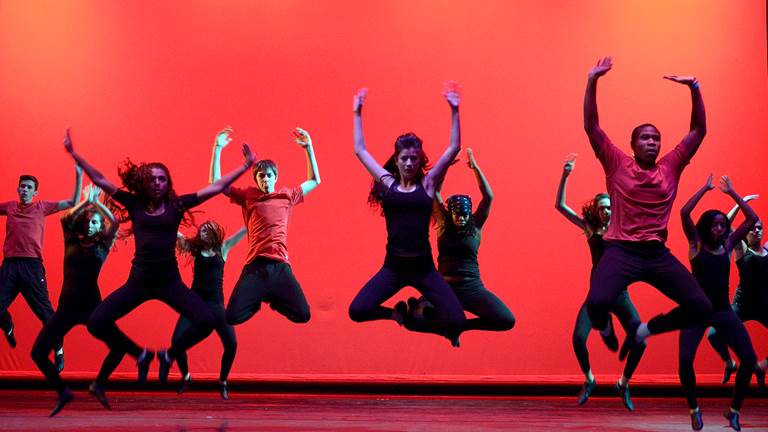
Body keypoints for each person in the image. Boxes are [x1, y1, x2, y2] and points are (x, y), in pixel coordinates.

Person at [64, 128, 254, 404]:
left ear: (168, 183)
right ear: (144, 182)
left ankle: (168, 355)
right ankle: (140, 355)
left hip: (169, 282)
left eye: (161, 179)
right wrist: (74, 154)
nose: (156, 183)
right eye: (152, 179)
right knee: (96, 322)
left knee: (207, 320)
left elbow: (215, 188)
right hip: (138, 281)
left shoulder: (177, 205)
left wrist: (245, 166)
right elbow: (101, 179)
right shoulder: (134, 203)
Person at [583, 56, 713, 361]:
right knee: (597, 303)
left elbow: (698, 131)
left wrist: (695, 87)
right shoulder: (617, 163)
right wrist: (592, 80)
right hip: (620, 251)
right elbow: (591, 126)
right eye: (645, 138)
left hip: (656, 255)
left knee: (701, 307)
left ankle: (644, 331)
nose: (652, 142)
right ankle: (604, 328)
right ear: (633, 145)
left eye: (656, 138)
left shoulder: (670, 165)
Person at [348, 84, 466, 344]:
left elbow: (454, 147)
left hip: (423, 268)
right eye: (405, 158)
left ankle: (419, 313)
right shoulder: (387, 183)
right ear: (397, 159)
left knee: (458, 322)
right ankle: (396, 313)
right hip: (394, 268)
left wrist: (455, 109)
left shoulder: (428, 184)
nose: (410, 163)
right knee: (357, 310)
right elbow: (360, 150)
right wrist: (357, 112)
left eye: (414, 158)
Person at [555, 154, 645, 410]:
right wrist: (565, 174)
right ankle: (590, 379)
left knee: (641, 340)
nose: (606, 210)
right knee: (577, 339)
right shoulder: (590, 229)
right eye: (602, 207)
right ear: (596, 210)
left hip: (620, 295)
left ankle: (624, 384)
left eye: (609, 207)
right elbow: (560, 206)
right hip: (596, 296)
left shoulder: (623, 228)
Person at [210, 127, 320, 333]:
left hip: (280, 266)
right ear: (256, 180)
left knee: (303, 315)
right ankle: (259, 298)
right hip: (255, 267)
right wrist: (217, 149)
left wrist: (309, 148)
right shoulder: (248, 196)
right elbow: (216, 184)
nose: (265, 179)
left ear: (275, 177)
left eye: (269, 175)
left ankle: (274, 299)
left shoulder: (287, 196)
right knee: (232, 316)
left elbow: (314, 180)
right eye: (261, 176)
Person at [404, 148, 514, 347]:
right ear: (451, 214)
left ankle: (459, 326)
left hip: (471, 287)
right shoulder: (443, 225)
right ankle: (442, 321)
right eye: (458, 215)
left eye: (465, 215)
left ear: (470, 214)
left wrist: (475, 168)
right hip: (443, 286)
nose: (462, 218)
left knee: (507, 320)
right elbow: (435, 191)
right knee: (412, 321)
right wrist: (445, 166)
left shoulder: (476, 226)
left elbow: (488, 197)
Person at [31, 185, 122, 416]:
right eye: (88, 221)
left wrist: (97, 203)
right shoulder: (71, 241)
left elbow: (116, 223)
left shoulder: (103, 246)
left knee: (119, 348)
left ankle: (98, 384)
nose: (91, 225)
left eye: (95, 223)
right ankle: (63, 392)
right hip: (67, 308)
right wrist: (86, 202)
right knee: (38, 353)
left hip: (92, 307)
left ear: (100, 227)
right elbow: (65, 218)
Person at [678, 174, 758, 431]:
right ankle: (694, 409)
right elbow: (684, 212)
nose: (720, 229)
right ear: (705, 227)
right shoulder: (696, 244)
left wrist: (732, 193)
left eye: (723, 225)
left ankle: (733, 410)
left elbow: (752, 220)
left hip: (722, 311)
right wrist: (704, 188)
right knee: (685, 360)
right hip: (696, 312)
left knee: (748, 359)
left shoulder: (728, 245)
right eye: (715, 225)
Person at [1, 132, 82, 372]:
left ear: (35, 192)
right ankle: (6, 322)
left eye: (29, 188)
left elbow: (72, 201)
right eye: (22, 186)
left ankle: (58, 350)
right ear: (18, 189)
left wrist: (78, 176)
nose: (25, 190)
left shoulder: (42, 207)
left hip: (32, 267)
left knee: (47, 315)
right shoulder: (10, 206)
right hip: (10, 266)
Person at [173, 221, 246, 400]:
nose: (203, 232)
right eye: (202, 230)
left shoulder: (224, 248)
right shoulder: (195, 249)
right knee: (176, 343)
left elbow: (244, 230)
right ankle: (187, 377)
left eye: (207, 230)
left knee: (232, 344)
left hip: (216, 306)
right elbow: (176, 233)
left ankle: (222, 382)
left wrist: (257, 211)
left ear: (214, 233)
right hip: (194, 303)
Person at [707, 195, 768, 392]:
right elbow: (725, 225)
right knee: (713, 334)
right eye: (753, 227)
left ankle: (761, 368)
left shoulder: (767, 250)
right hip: (742, 304)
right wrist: (740, 202)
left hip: (764, 305)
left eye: (760, 228)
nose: (757, 230)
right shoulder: (742, 248)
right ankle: (729, 363)